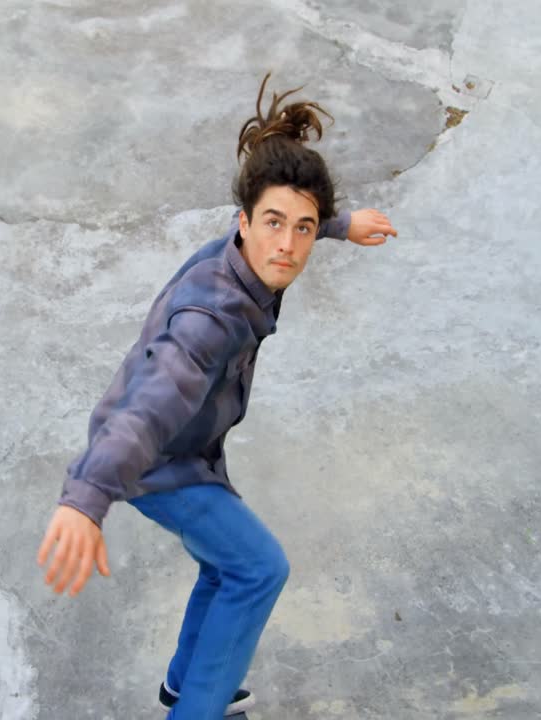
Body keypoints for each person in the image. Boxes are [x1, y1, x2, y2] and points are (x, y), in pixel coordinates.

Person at [36, 73, 398, 718]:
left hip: (186, 448)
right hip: (160, 462)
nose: (287, 245)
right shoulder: (212, 318)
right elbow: (153, 405)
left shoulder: (246, 249)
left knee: (223, 563)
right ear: (244, 221)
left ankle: (186, 681)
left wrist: (345, 225)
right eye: (274, 225)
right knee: (259, 568)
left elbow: (293, 216)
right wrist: (87, 498)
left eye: (305, 229)